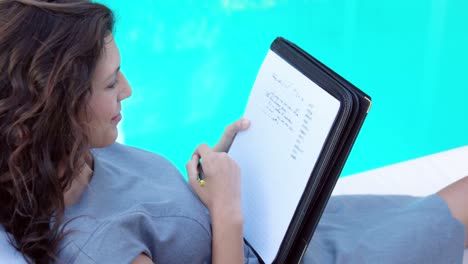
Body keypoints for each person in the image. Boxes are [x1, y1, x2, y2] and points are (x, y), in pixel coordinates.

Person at [0, 0, 466, 263]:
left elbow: (150, 214)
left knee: (428, 213)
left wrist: (202, 185)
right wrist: (225, 208)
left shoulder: (75, 158)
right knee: (439, 220)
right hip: (288, 252)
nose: (128, 89)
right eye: (109, 82)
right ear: (57, 106)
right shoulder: (98, 251)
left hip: (272, 232)